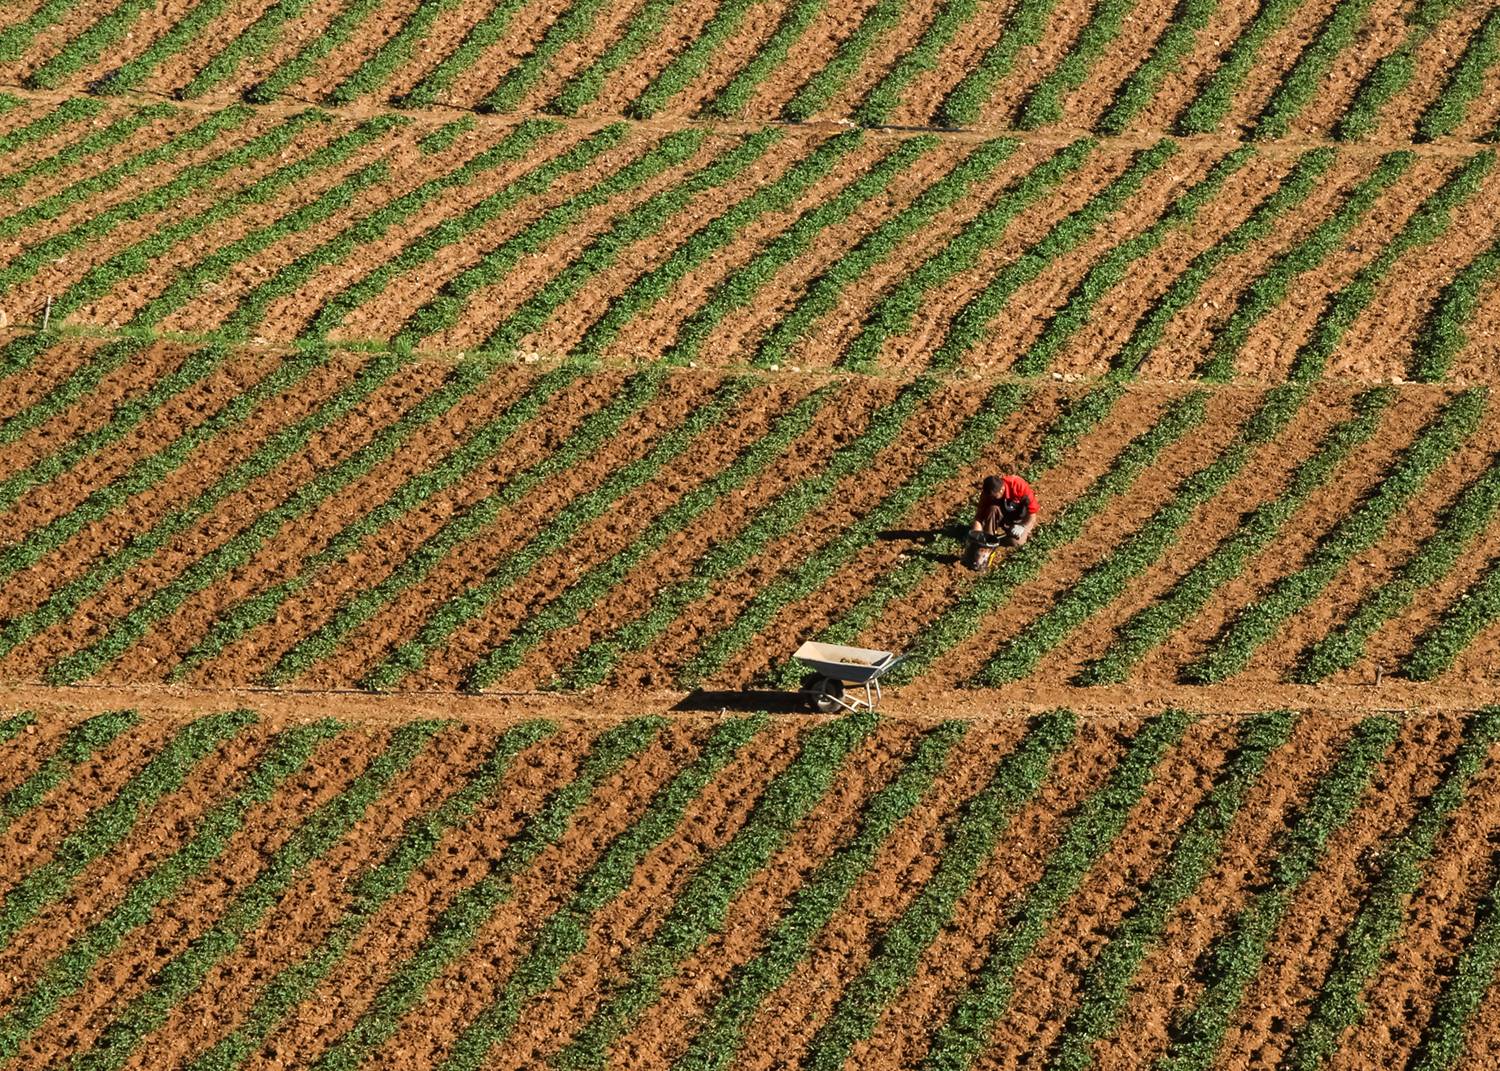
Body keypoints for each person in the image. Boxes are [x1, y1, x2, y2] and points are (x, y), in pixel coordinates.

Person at [972, 470, 1038, 547]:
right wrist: (976, 533)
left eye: (994, 497)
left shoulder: (1018, 485)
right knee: (993, 509)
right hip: (1005, 514)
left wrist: (1022, 526)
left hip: (1021, 519)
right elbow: (979, 517)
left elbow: (1032, 513)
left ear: (1002, 490)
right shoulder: (987, 493)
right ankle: (989, 539)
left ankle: (999, 541)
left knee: (1016, 542)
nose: (992, 498)